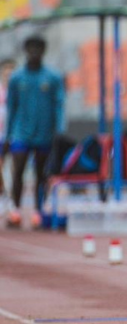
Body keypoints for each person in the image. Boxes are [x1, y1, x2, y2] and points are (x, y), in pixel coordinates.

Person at [6, 37, 65, 227]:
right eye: (31, 48)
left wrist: (59, 131)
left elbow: (59, 106)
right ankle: (15, 209)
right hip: (20, 133)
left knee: (42, 174)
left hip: (44, 134)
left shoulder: (53, 78)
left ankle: (38, 211)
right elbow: (11, 107)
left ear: (44, 50)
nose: (34, 52)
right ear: (25, 50)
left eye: (38, 48)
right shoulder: (16, 78)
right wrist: (8, 135)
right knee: (18, 170)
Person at [0, 58, 15, 200]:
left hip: (14, 134)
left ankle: (12, 198)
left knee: (14, 166)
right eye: (6, 73)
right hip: (1, 134)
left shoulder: (20, 91)